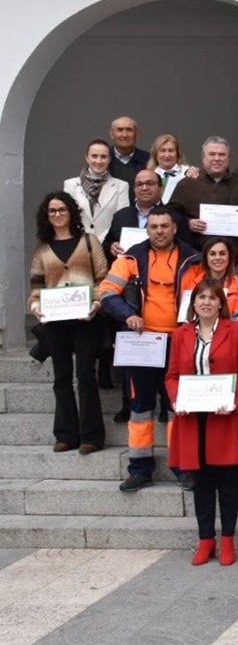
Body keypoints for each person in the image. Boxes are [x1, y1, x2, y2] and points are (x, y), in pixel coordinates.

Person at [99, 207, 201, 491]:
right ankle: (140, 468)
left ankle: (181, 466)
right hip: (141, 341)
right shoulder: (131, 258)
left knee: (177, 407)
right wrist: (126, 314)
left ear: (174, 228)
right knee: (140, 407)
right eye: (154, 226)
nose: (159, 231)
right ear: (147, 229)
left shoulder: (193, 258)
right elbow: (107, 292)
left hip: (179, 342)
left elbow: (206, 296)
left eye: (164, 226)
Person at [166, 280, 238, 566]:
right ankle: (206, 539)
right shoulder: (180, 334)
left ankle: (229, 540)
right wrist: (177, 400)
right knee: (202, 483)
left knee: (229, 483)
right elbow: (172, 376)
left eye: (212, 297)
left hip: (226, 416)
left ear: (221, 303)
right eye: (201, 297)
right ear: (193, 303)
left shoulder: (236, 331)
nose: (206, 302)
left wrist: (235, 400)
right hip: (193, 420)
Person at [28, 192, 108, 454]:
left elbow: (104, 280)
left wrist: (96, 304)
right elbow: (37, 286)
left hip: (87, 319)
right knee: (61, 377)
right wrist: (36, 308)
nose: (57, 215)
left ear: (71, 212)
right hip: (55, 321)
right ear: (46, 216)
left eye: (61, 210)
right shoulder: (43, 247)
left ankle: (91, 436)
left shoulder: (89, 241)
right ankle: (65, 434)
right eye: (52, 211)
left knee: (85, 374)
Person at [170, 135, 238, 258]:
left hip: (233, 260)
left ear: (229, 158)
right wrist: (188, 223)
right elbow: (170, 216)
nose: (217, 158)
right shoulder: (187, 185)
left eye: (222, 154)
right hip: (195, 259)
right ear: (203, 157)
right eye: (212, 154)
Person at [64, 139, 130, 241]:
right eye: (94, 156)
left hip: (107, 245)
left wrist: (99, 242)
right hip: (78, 245)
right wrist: (84, 243)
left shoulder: (121, 186)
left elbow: (121, 219)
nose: (98, 161)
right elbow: (68, 217)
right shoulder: (70, 184)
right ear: (87, 158)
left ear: (109, 159)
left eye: (103, 157)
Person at [182, 238, 238, 325]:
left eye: (222, 253)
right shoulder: (193, 285)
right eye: (212, 254)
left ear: (229, 256)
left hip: (230, 335)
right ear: (206, 258)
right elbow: (186, 321)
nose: (217, 258)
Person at [146, 133, 194, 204]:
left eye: (171, 150)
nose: (167, 155)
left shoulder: (189, 173)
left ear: (177, 154)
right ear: (156, 154)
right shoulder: (148, 175)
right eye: (163, 151)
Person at [106, 115, 150, 192]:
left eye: (129, 130)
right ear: (112, 134)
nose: (125, 135)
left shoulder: (148, 159)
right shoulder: (103, 159)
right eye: (120, 130)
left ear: (137, 134)